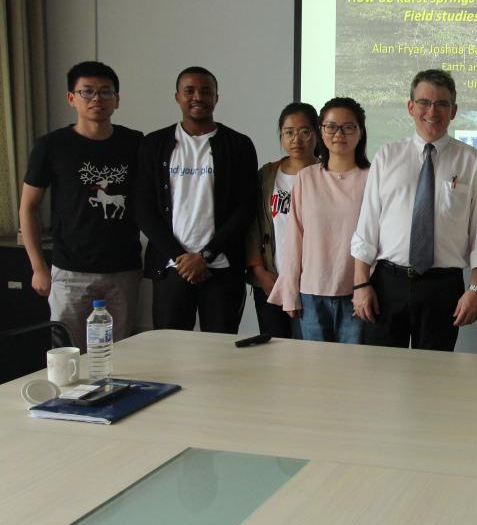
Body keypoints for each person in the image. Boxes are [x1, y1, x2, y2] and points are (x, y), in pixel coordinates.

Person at [351, 69, 477, 351]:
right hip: (387, 284)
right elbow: (367, 227)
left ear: (454, 111)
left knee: (433, 373)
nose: (432, 111)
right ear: (410, 107)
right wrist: (360, 285)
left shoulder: (471, 161)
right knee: (379, 369)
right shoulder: (387, 155)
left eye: (442, 104)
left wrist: (476, 289)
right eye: (424, 103)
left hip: (442, 287)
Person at [19, 61, 143, 350]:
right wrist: (38, 267)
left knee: (122, 353)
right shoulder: (51, 146)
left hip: (123, 269)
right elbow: (28, 208)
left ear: (117, 99)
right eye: (87, 92)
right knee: (67, 351)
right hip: (70, 271)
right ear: (71, 98)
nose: (96, 99)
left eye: (105, 92)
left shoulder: (135, 142)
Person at [134, 66, 258, 333]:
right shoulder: (154, 144)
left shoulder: (239, 145)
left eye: (205, 91)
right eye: (189, 91)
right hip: (171, 267)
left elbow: (246, 207)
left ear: (216, 98)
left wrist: (205, 255)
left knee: (220, 348)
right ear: (177, 97)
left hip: (222, 267)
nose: (197, 97)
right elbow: (143, 208)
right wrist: (181, 257)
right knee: (170, 348)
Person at [268, 98, 370, 343]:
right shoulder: (306, 178)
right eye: (331, 127)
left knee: (353, 364)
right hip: (311, 293)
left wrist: (366, 287)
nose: (339, 134)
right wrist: (290, 291)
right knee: (314, 364)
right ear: (321, 132)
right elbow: (295, 239)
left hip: (357, 292)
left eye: (348, 127)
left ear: (360, 132)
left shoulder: (373, 177)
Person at [245, 102, 319, 338]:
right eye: (289, 132)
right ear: (281, 135)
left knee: (307, 349)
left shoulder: (326, 174)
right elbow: (253, 225)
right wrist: (259, 271)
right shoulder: (267, 174)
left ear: (317, 133)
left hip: (312, 283)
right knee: (274, 347)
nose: (296, 140)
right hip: (271, 278)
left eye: (305, 132)